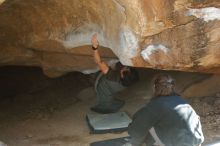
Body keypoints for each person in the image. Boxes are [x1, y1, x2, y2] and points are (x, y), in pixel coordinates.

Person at [127, 74, 204, 146]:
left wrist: (134, 142)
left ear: (154, 87)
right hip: (196, 142)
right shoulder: (181, 101)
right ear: (172, 86)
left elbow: (136, 130)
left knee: (145, 123)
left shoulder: (156, 105)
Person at [90, 34, 139, 114]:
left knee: (96, 71)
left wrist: (94, 47)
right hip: (111, 89)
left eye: (125, 70)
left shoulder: (112, 77)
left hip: (99, 85)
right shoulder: (127, 82)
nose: (125, 68)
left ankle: (103, 107)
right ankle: (109, 103)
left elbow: (99, 62)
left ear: (122, 75)